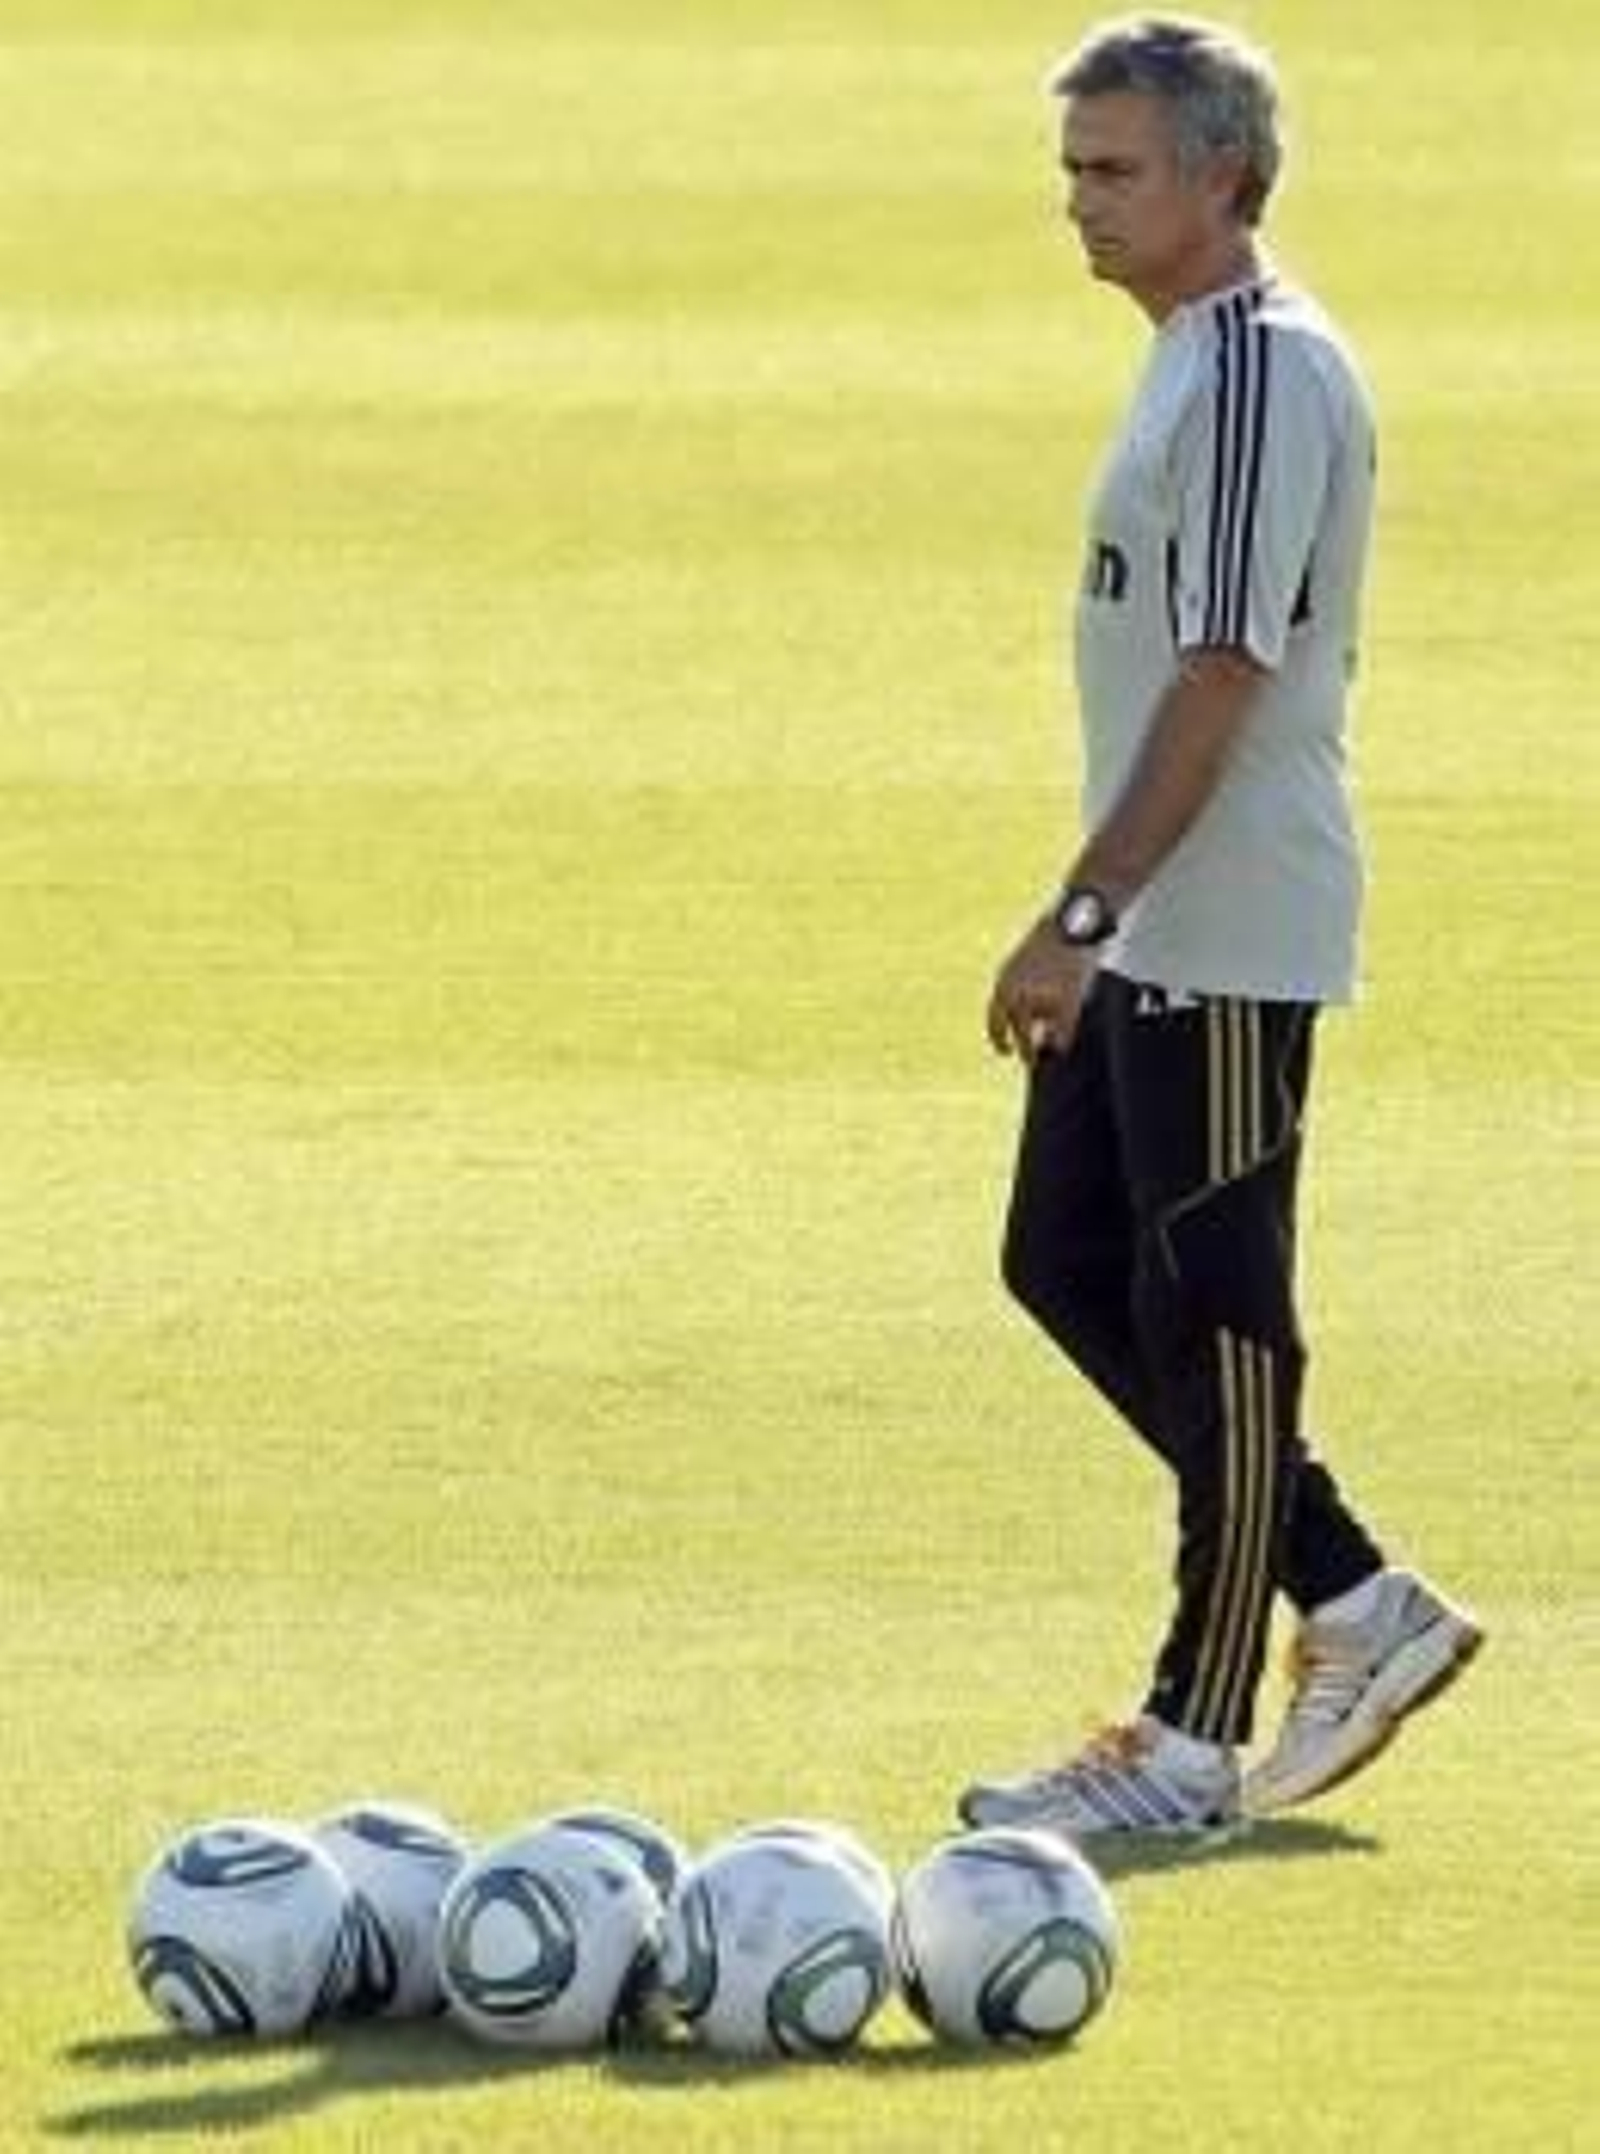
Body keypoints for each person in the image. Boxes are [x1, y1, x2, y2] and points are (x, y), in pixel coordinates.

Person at [959, 16, 1482, 1839]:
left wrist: (1083, 908)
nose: (1079, 204)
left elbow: (1228, 669)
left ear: (1225, 179)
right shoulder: (1194, 358)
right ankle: (1355, 1597)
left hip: (1224, 923)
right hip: (1159, 915)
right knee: (1071, 1262)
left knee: (1221, 1314)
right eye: (1073, 169)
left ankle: (1190, 1738)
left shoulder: (1262, 372)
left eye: (1115, 170)